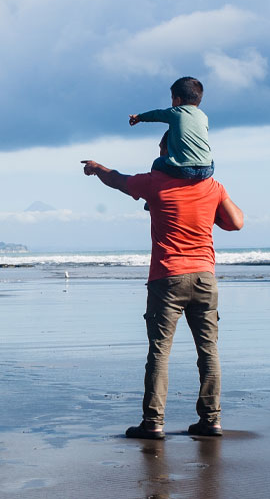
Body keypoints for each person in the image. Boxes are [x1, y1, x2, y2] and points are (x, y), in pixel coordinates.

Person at [80, 150, 245, 440]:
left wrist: (97, 168)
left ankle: (153, 423)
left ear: (170, 153)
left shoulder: (156, 182)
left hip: (167, 278)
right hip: (205, 279)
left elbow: (119, 181)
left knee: (159, 352)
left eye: (161, 150)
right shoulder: (213, 187)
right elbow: (236, 222)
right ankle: (211, 419)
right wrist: (207, 212)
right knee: (208, 352)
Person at [129, 76, 212, 180]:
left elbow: (156, 114)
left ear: (177, 100)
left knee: (158, 163)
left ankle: (158, 185)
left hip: (184, 169)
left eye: (172, 99)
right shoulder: (203, 116)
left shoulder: (176, 112)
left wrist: (139, 117)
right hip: (207, 169)